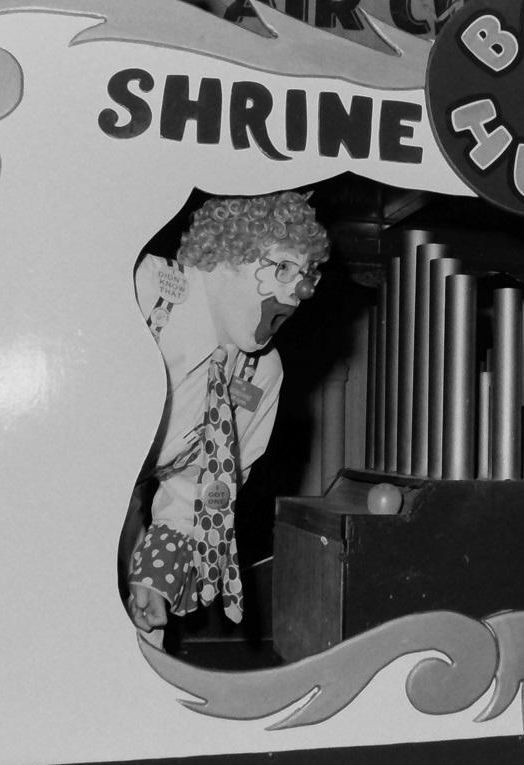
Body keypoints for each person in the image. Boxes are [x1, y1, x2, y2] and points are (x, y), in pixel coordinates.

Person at [125, 191, 328, 639]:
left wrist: (154, 571)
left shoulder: (261, 372)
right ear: (224, 255)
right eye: (283, 267)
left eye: (308, 274)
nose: (303, 291)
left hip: (123, 508)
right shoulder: (141, 290)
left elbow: (197, 483)